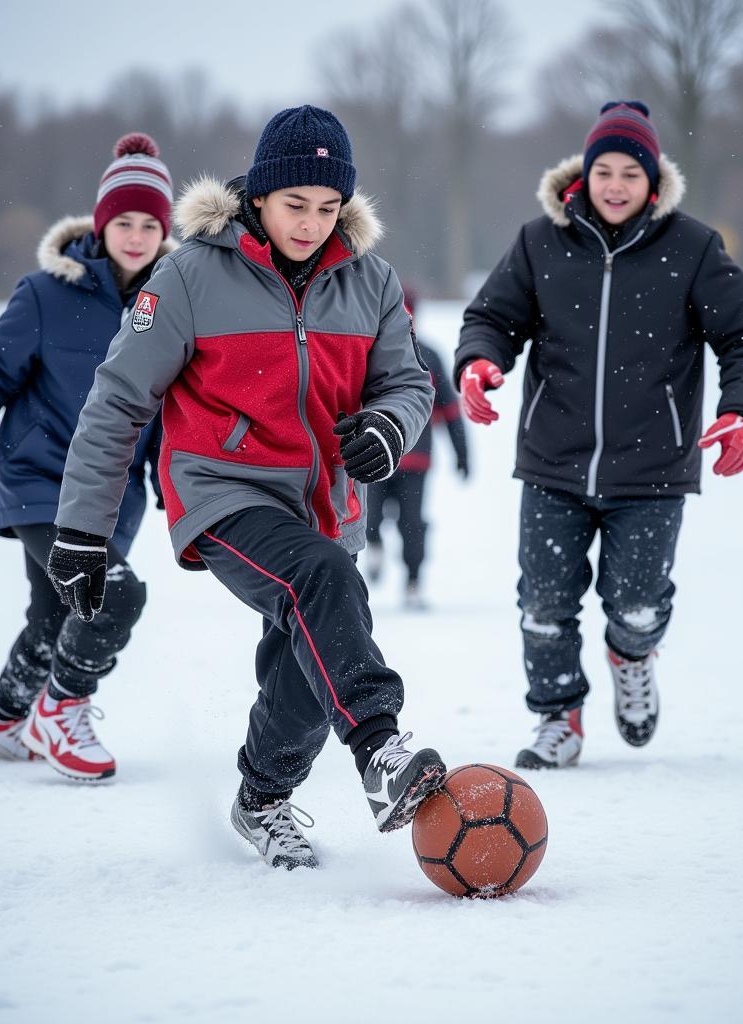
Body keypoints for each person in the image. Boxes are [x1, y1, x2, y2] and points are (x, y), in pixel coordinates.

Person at [47, 105, 446, 868]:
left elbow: (407, 382)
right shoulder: (191, 272)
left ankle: (261, 798)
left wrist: (390, 427)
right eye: (295, 204)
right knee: (322, 581)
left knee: (306, 659)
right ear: (258, 196)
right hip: (222, 492)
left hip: (328, 505)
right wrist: (83, 529)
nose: (311, 223)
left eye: (329, 208)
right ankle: (381, 747)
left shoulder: (372, 280)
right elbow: (119, 397)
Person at [453, 101, 743, 769]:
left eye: (632, 172)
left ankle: (633, 658)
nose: (617, 185)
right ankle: (558, 718)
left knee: (633, 605)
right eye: (605, 170)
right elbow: (491, 317)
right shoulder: (540, 242)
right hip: (552, 463)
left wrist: (742, 411)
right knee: (543, 603)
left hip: (652, 470)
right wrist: (480, 362)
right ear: (583, 175)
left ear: (653, 182)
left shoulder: (692, 248)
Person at [0, 133, 175, 782]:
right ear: (102, 223)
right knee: (112, 595)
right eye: (124, 222)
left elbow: (170, 401)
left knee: (57, 614)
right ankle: (63, 708)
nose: (135, 236)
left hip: (112, 494)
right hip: (40, 480)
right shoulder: (47, 294)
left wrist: (175, 473)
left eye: (149, 225)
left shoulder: (170, 304)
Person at [364, 287, 469, 609]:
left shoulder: (430, 357)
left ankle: (413, 581)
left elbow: (451, 411)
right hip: (374, 458)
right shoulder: (369, 353)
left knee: (413, 524)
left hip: (416, 461)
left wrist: (462, 454)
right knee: (369, 518)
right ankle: (375, 544)